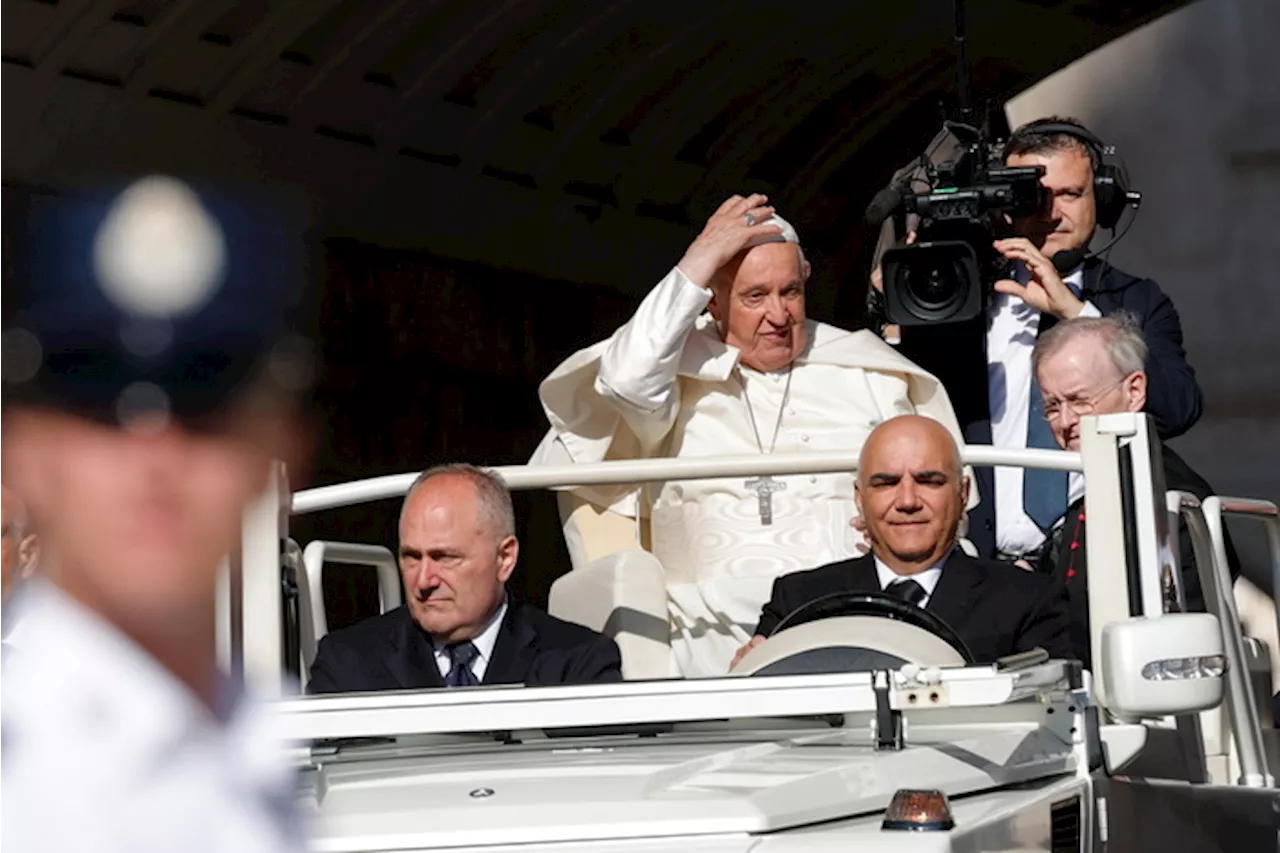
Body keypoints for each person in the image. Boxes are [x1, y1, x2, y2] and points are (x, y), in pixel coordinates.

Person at [0, 175, 315, 852]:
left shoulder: (259, 749)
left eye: (207, 396)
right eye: (94, 394)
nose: (155, 454)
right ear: (23, 449)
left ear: (281, 448)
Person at [532, 194, 971, 677]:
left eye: (790, 292)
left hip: (855, 634)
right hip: (706, 644)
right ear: (712, 301)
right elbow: (624, 379)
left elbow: (943, 502)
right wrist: (699, 260)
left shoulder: (868, 374)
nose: (779, 315)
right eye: (754, 296)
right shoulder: (669, 384)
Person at [872, 117, 1203, 566]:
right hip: (984, 567)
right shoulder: (955, 298)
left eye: (1070, 194)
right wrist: (900, 306)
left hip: (1097, 562)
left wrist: (1075, 313)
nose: (1051, 213)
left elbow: (1177, 408)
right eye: (1032, 196)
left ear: (1104, 200)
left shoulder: (1136, 300)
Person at [734, 415, 1072, 669]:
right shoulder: (799, 600)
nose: (907, 500)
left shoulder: (1028, 601)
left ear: (964, 493)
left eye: (929, 481)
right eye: (886, 483)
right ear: (859, 498)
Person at [1030, 314, 1239, 666]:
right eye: (1052, 406)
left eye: (1080, 400)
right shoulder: (1094, 487)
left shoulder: (1170, 501)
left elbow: (1180, 636)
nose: (1065, 422)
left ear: (1135, 391)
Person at [308, 464, 622, 693]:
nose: (424, 580)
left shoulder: (576, 664)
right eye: (411, 557)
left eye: (445, 558)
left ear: (505, 559)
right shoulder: (349, 663)